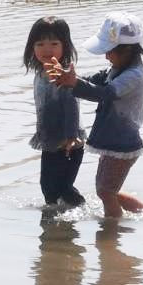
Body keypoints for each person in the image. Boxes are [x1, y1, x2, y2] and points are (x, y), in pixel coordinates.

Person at [48, 11, 143, 219]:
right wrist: (69, 77)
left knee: (105, 191)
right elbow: (93, 81)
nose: (106, 56)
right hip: (113, 141)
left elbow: (105, 94)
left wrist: (74, 83)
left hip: (123, 144)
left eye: (109, 51)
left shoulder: (134, 75)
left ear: (127, 50)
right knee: (106, 190)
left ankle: (111, 231)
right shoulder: (116, 68)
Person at [22, 16, 86, 208]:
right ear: (31, 48)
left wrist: (71, 137)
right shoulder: (40, 73)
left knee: (63, 188)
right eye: (40, 43)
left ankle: (81, 213)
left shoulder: (63, 75)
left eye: (54, 43)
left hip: (69, 143)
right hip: (50, 140)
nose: (47, 49)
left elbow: (71, 105)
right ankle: (56, 223)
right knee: (48, 187)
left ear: (65, 46)